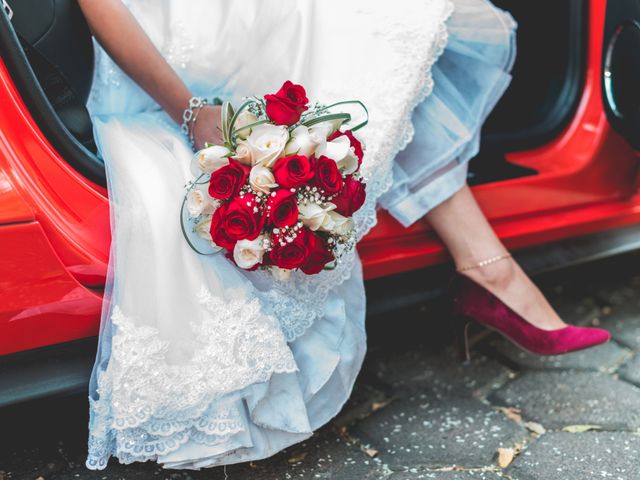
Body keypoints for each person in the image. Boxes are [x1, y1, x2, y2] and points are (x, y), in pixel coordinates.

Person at [78, 0, 611, 470]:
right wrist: (190, 110)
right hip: (170, 58)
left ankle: (487, 269)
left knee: (390, 41)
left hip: (243, 27)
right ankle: (489, 271)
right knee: (379, 30)